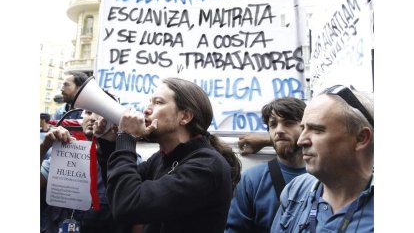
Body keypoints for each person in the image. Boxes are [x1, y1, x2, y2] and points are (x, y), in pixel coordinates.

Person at [105, 77, 241, 233]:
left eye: (158, 102)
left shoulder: (206, 166)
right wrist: (109, 143)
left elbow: (127, 204)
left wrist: (126, 137)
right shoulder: (162, 157)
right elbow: (118, 190)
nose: (147, 110)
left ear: (185, 117)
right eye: (150, 102)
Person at [270, 85, 374, 232]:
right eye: (303, 128)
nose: (301, 141)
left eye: (317, 130)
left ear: (361, 138)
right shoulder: (297, 190)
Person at [40, 110, 141, 233]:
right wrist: (43, 147)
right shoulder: (62, 153)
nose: (93, 118)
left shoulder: (128, 162)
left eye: (100, 112)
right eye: (88, 112)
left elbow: (137, 219)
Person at [225, 97, 307, 233]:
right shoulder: (252, 180)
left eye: (289, 123)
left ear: (306, 128)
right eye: (273, 124)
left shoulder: (324, 177)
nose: (279, 130)